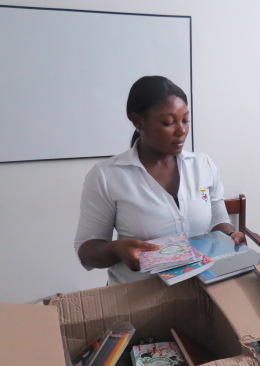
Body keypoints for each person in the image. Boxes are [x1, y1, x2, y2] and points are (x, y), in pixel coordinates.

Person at [74, 76, 244, 285]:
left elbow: (219, 221)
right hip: (138, 297)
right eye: (168, 122)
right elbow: (87, 249)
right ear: (138, 121)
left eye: (185, 120)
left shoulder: (203, 165)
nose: (181, 131)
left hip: (202, 290)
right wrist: (116, 249)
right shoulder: (107, 175)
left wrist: (231, 235)